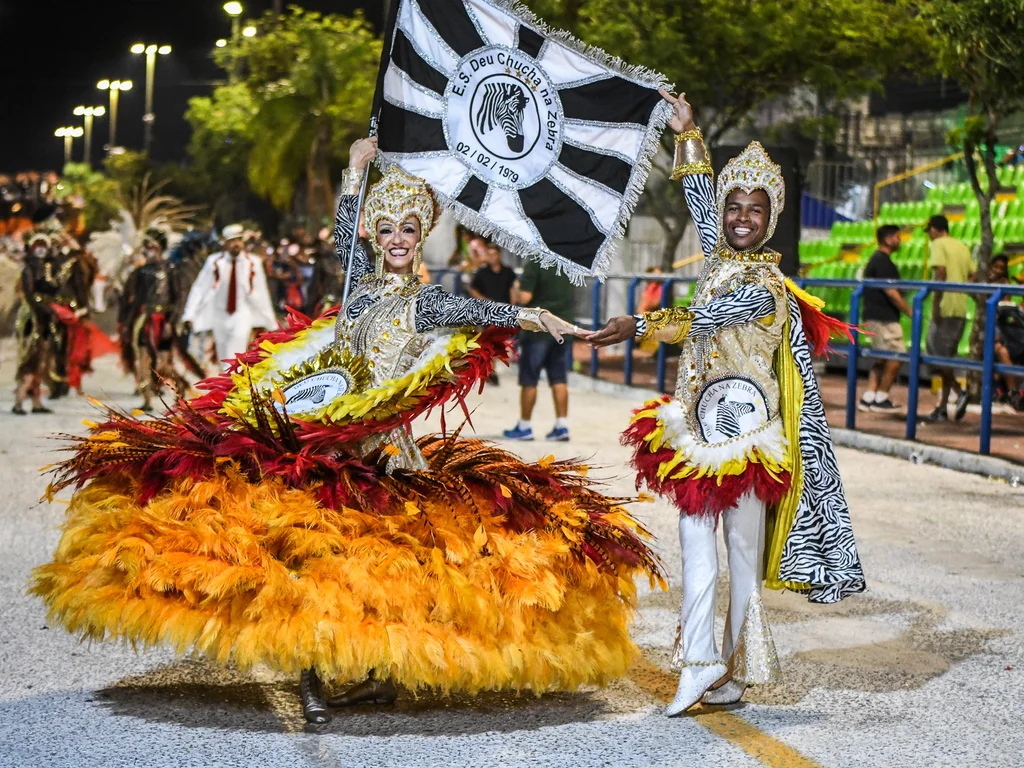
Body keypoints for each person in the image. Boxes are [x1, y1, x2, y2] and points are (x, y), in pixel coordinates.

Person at [32, 136, 662, 728]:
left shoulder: (430, 301)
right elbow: (344, 233)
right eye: (385, 228)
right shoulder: (359, 286)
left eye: (407, 230)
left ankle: (378, 670)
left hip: (385, 453)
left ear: (420, 238)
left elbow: (495, 312)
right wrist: (356, 169)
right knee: (311, 556)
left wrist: (551, 321)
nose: (394, 238)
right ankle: (312, 674)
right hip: (325, 444)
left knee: (374, 566)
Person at [589, 91, 864, 716]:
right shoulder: (718, 258)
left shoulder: (765, 287)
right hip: (699, 428)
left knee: (738, 556)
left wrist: (638, 323)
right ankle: (708, 663)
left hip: (747, 437)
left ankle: (729, 667)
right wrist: (688, 136)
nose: (740, 216)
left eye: (754, 209)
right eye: (733, 206)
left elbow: (708, 317)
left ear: (771, 219)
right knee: (697, 540)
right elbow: (698, 201)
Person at [118, 230, 204, 411]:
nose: (148, 251)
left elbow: (178, 298)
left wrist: (171, 321)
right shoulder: (140, 272)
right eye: (146, 247)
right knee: (143, 359)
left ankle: (179, 390)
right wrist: (126, 323)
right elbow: (134, 299)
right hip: (144, 320)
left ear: (159, 249)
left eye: (152, 247)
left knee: (164, 363)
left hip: (163, 321)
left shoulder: (171, 269)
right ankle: (147, 399)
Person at [181, 224, 278, 367]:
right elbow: (199, 288)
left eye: (239, 240)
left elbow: (261, 291)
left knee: (235, 355)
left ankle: (232, 386)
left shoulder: (253, 263)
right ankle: (228, 385)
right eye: (232, 240)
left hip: (242, 314)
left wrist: (270, 319)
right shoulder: (214, 262)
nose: (236, 244)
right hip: (219, 315)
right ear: (225, 243)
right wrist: (189, 314)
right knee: (223, 357)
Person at [503, 259, 576, 442]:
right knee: (559, 378)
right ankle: (562, 426)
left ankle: (524, 426)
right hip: (563, 326)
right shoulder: (566, 263)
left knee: (530, 378)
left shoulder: (535, 264)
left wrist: (517, 287)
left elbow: (525, 297)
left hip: (538, 330)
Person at [924, 215, 976, 423]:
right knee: (945, 357)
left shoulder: (938, 244)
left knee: (934, 356)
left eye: (929, 231)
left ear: (935, 229)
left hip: (945, 308)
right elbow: (972, 276)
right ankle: (943, 407)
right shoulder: (962, 246)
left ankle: (958, 391)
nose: (928, 235)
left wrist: (936, 304)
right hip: (960, 308)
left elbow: (941, 272)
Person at [858, 225, 912, 412]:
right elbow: (891, 292)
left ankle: (869, 396)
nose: (900, 240)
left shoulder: (877, 259)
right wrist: (910, 311)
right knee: (897, 355)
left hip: (876, 316)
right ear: (888, 239)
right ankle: (881, 397)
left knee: (880, 357)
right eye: (897, 236)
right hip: (884, 317)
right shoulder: (882, 261)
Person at [12, 233, 59, 414]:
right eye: (37, 246)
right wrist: (43, 309)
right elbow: (30, 295)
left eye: (43, 246)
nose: (40, 249)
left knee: (41, 360)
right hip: (32, 317)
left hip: (44, 316)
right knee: (31, 358)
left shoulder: (44, 268)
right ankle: (19, 402)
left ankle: (36, 403)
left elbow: (52, 288)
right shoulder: (28, 270)